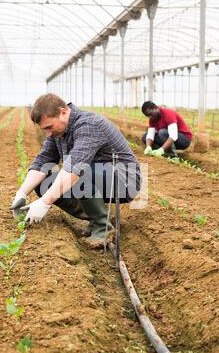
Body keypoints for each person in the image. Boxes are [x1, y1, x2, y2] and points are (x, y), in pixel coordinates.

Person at [11, 94, 141, 248]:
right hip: (98, 176)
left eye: (49, 127)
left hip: (124, 181)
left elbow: (75, 168)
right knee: (44, 183)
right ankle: (95, 216)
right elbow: (42, 161)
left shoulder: (89, 125)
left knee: (78, 173)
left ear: (64, 112)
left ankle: (103, 228)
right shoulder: (58, 132)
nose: (48, 133)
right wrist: (22, 193)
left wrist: (45, 202)